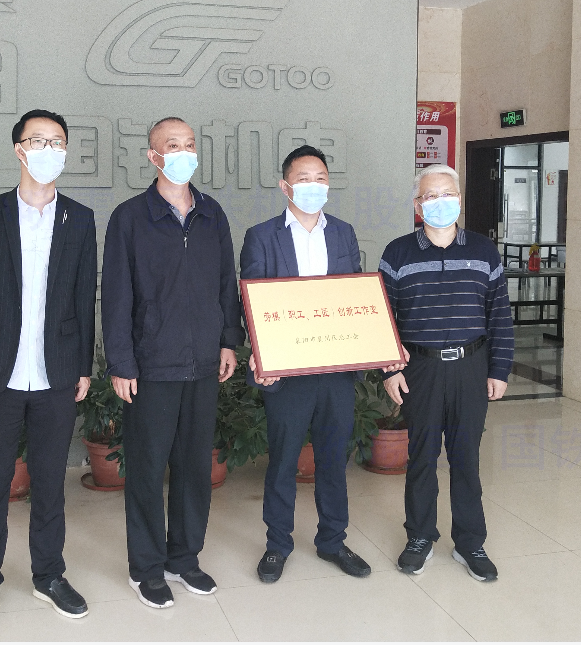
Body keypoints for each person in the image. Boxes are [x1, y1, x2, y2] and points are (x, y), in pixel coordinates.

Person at [0, 109, 97, 637]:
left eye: (58, 142)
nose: (49, 150)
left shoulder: (79, 218)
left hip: (57, 372)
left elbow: (84, 298)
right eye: (39, 140)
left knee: (51, 483)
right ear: (19, 149)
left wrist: (84, 366)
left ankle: (49, 575)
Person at [101, 117, 245, 609]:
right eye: (172, 145)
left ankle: (184, 558)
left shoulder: (212, 214)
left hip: (203, 363)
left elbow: (226, 283)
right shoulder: (130, 218)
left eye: (189, 144)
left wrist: (228, 342)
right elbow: (116, 295)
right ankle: (145, 567)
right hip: (151, 365)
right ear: (153, 156)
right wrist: (122, 362)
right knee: (146, 468)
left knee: (193, 467)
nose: (183, 153)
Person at [239, 145, 371, 583]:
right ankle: (277, 545)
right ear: (285, 186)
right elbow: (252, 300)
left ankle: (333, 540)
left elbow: (356, 295)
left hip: (335, 369)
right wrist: (262, 353)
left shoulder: (344, 233)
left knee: (334, 459)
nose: (313, 186)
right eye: (303, 179)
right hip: (287, 371)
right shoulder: (262, 236)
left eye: (320, 178)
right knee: (283, 461)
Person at [379, 163, 513, 581]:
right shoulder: (397, 253)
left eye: (448, 194)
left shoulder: (484, 251)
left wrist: (499, 369)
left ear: (459, 198)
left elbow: (500, 314)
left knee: (466, 458)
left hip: (471, 366)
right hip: (420, 368)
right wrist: (390, 369)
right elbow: (383, 318)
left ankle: (470, 542)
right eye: (431, 196)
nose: (441, 202)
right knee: (421, 457)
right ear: (418, 205)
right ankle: (420, 537)